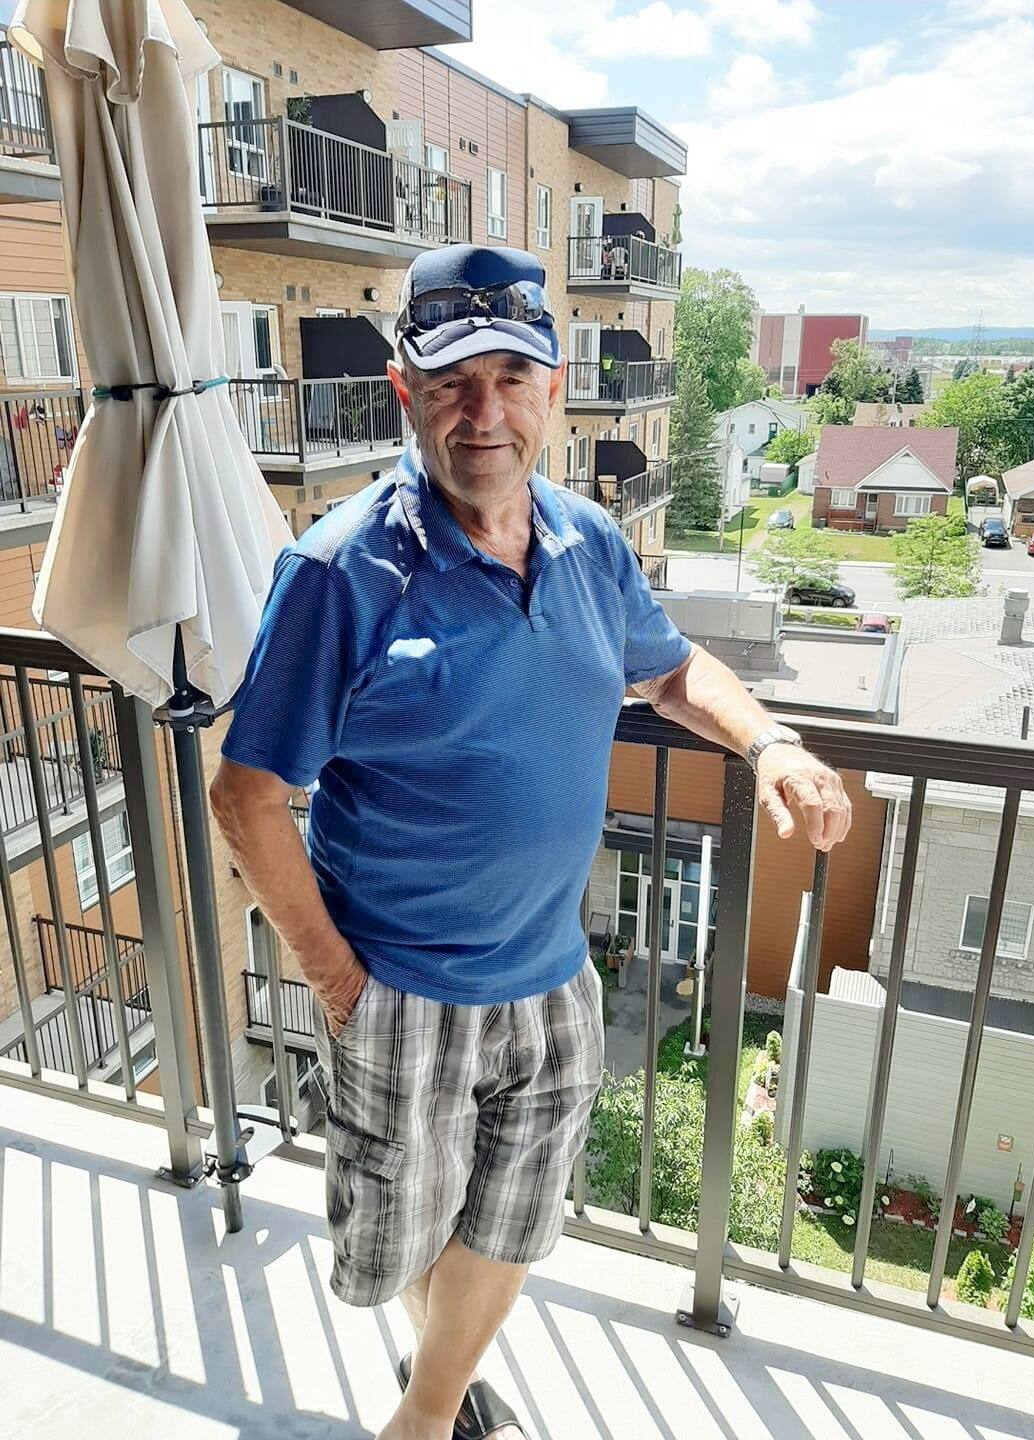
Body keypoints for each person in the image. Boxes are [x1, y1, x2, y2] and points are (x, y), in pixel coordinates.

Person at [210, 243, 852, 1440]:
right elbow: (245, 795)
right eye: (451, 382)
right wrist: (338, 981)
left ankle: (427, 1412)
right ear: (404, 392)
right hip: (400, 986)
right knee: (400, 1243)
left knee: (511, 1221)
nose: (483, 413)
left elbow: (670, 670)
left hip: (555, 976)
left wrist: (768, 743)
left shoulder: (587, 542)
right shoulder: (340, 572)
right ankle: (443, 1396)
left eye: (511, 378)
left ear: (554, 391)